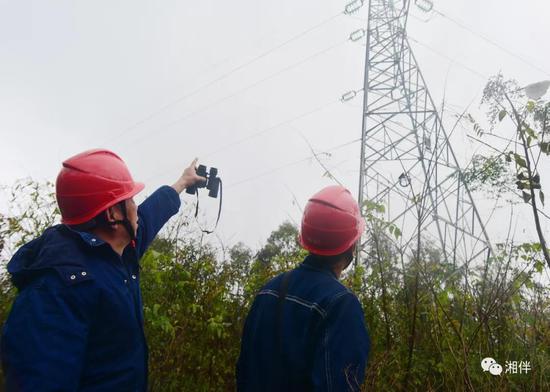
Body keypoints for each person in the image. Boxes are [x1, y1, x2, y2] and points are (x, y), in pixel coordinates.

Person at [0, 149, 205, 392]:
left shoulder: (117, 252)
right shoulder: (57, 288)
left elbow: (150, 215)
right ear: (112, 214)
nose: (136, 208)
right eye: (130, 200)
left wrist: (183, 181)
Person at [236, 185, 371, 391]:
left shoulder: (268, 291)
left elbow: (244, 371)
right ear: (350, 245)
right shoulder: (341, 305)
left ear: (305, 237)